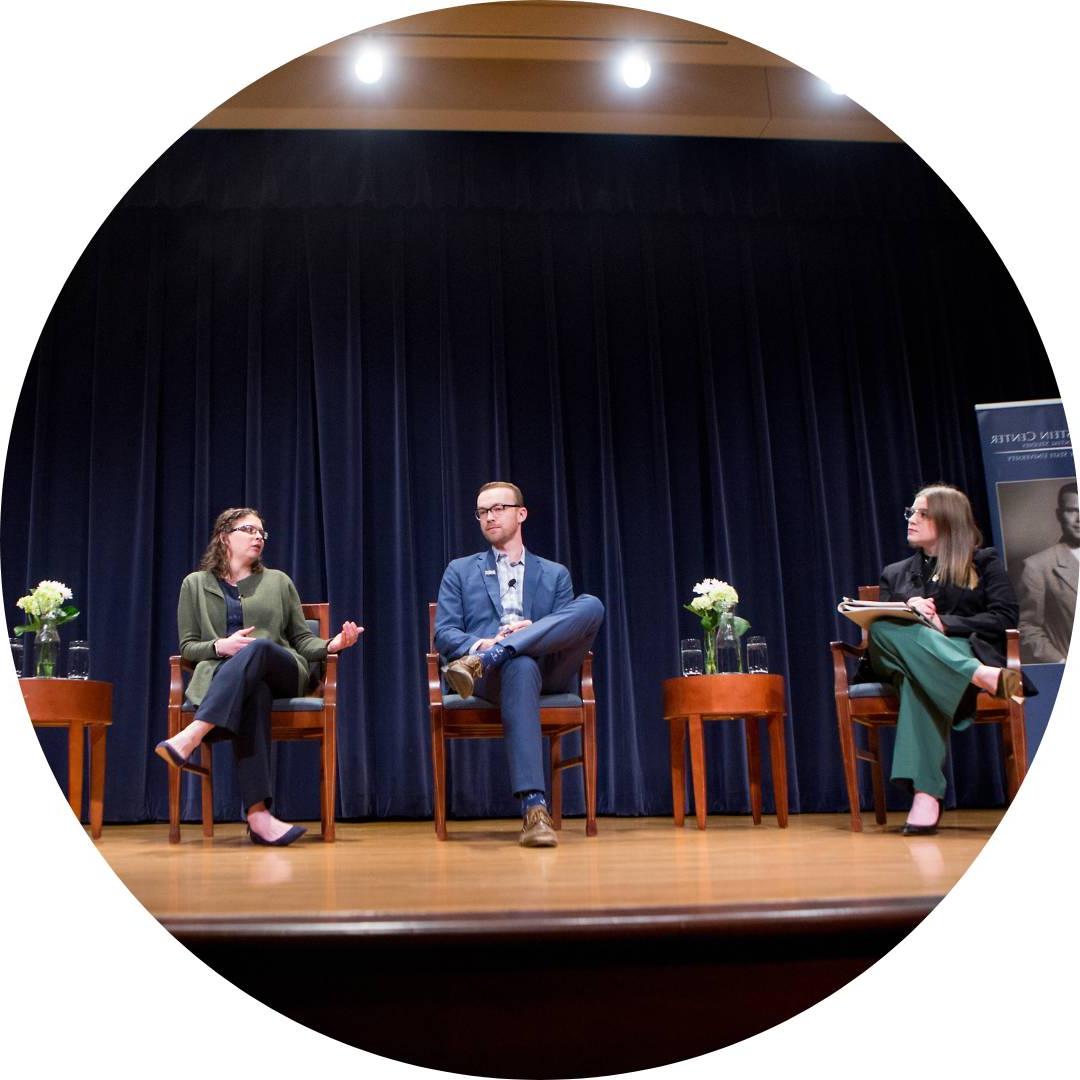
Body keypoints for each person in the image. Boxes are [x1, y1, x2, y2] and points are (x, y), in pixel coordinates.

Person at [155, 507, 362, 846]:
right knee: (256, 694)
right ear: (224, 536)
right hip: (228, 679)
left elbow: (301, 640)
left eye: (261, 533)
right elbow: (188, 647)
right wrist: (221, 646)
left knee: (258, 648)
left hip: (282, 669)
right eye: (249, 529)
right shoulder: (194, 585)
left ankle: (193, 733)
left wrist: (332, 644)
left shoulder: (279, 581)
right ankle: (259, 817)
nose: (258, 537)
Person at [435, 482, 604, 848]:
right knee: (521, 666)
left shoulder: (554, 573)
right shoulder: (461, 571)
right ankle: (534, 809)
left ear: (521, 513)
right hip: (489, 677)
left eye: (498, 508)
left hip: (548, 669)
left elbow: (567, 630)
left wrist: (528, 633)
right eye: (483, 511)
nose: (490, 517)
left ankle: (502, 652)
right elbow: (444, 634)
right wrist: (483, 643)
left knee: (591, 605)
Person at [868, 483, 1033, 836]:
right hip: (896, 656)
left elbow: (1005, 618)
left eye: (922, 513)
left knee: (917, 681)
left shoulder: (983, 562)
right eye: (911, 512)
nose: (911, 519)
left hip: (949, 654)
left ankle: (926, 794)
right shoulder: (894, 573)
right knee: (883, 628)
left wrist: (947, 623)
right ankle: (981, 675)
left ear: (948, 520)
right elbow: (878, 630)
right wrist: (905, 608)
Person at [1018, 481, 1078, 664]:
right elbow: (1027, 627)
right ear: (1059, 515)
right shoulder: (1037, 566)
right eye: (1072, 510)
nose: (1079, 518)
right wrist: (1061, 663)